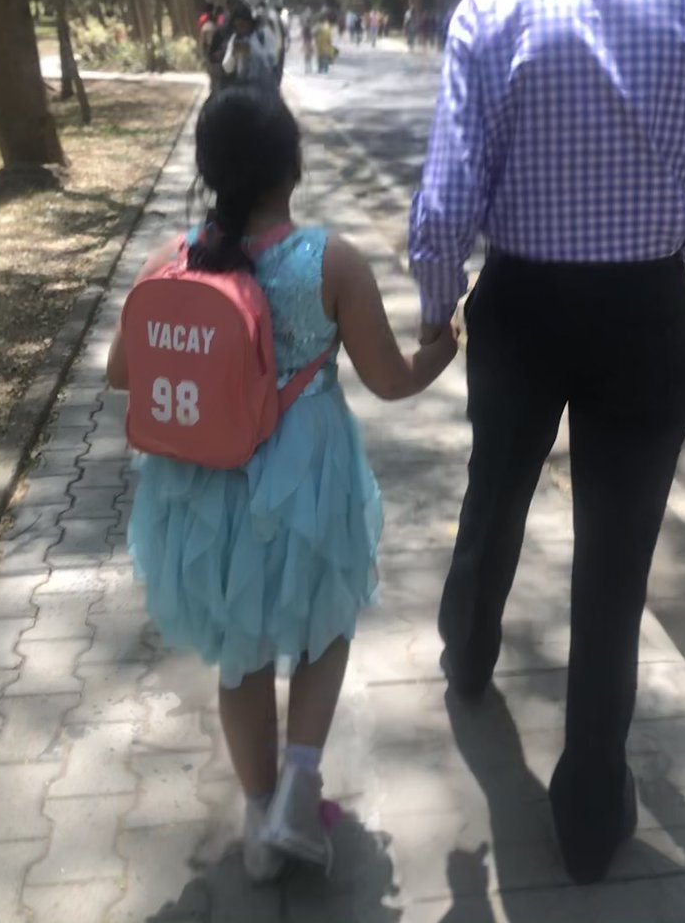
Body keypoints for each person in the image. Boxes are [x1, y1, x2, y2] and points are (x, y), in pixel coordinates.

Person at [408, 0, 685, 885]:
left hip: (523, 307)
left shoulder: (491, 8)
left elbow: (446, 202)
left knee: (496, 491)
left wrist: (438, 312)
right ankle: (591, 814)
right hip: (647, 311)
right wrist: (654, 248)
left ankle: (469, 651)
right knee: (614, 564)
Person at [106, 85, 456, 882]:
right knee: (324, 627)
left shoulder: (170, 260)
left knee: (242, 655)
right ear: (292, 167)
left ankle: (261, 820)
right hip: (305, 476)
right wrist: (447, 344)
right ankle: (300, 784)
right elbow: (392, 380)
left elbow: (122, 372)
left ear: (207, 171)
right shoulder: (331, 262)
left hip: (203, 482)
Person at [220, 0, 276, 87]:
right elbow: (227, 68)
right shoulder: (235, 38)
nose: (240, 29)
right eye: (237, 26)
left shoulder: (263, 34)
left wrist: (252, 51)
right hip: (243, 86)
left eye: (242, 25)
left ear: (249, 23)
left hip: (263, 86)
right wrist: (233, 53)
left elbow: (272, 59)